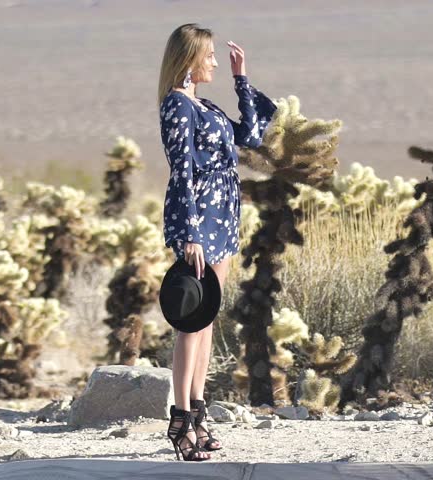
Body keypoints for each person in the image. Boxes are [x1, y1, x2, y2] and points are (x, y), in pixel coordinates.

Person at [157, 23, 275, 461]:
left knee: (206, 320)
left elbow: (251, 136)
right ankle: (181, 421)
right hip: (200, 217)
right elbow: (181, 171)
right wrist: (188, 232)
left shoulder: (204, 104)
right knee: (190, 324)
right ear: (188, 57)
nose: (213, 63)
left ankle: (199, 415)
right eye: (208, 56)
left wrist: (241, 79)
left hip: (224, 216)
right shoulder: (176, 106)